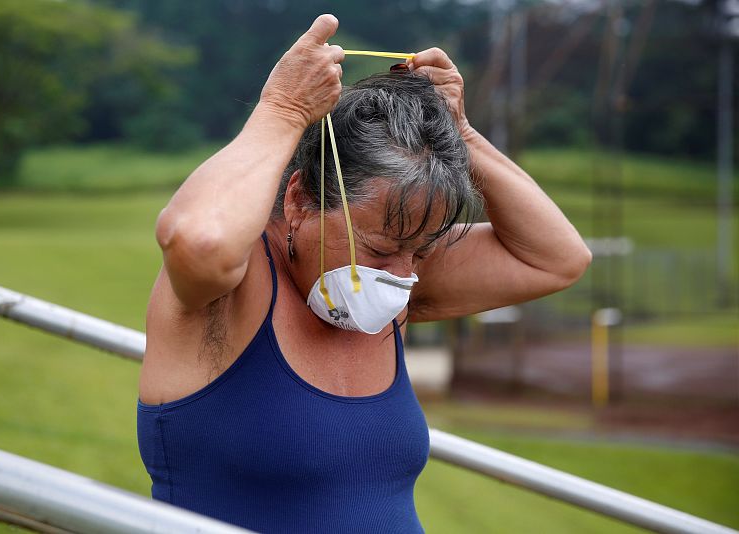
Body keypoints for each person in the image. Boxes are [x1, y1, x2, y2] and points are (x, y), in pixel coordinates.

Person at [136, 13, 592, 534]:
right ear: (302, 199)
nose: (402, 279)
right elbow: (199, 238)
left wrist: (462, 135)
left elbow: (557, 258)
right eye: (378, 249)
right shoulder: (226, 288)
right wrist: (283, 111)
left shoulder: (387, 283)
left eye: (419, 253)